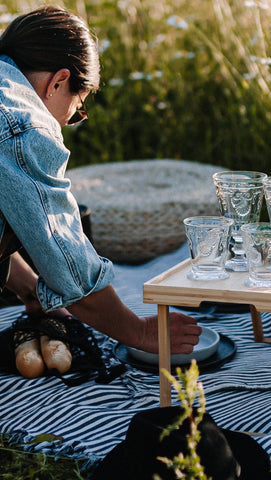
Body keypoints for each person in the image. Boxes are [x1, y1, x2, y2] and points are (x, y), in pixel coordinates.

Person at [0, 5, 201, 371]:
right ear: (58, 81)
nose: (67, 121)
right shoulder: (23, 125)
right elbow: (71, 267)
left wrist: (30, 287)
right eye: (76, 109)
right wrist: (138, 332)